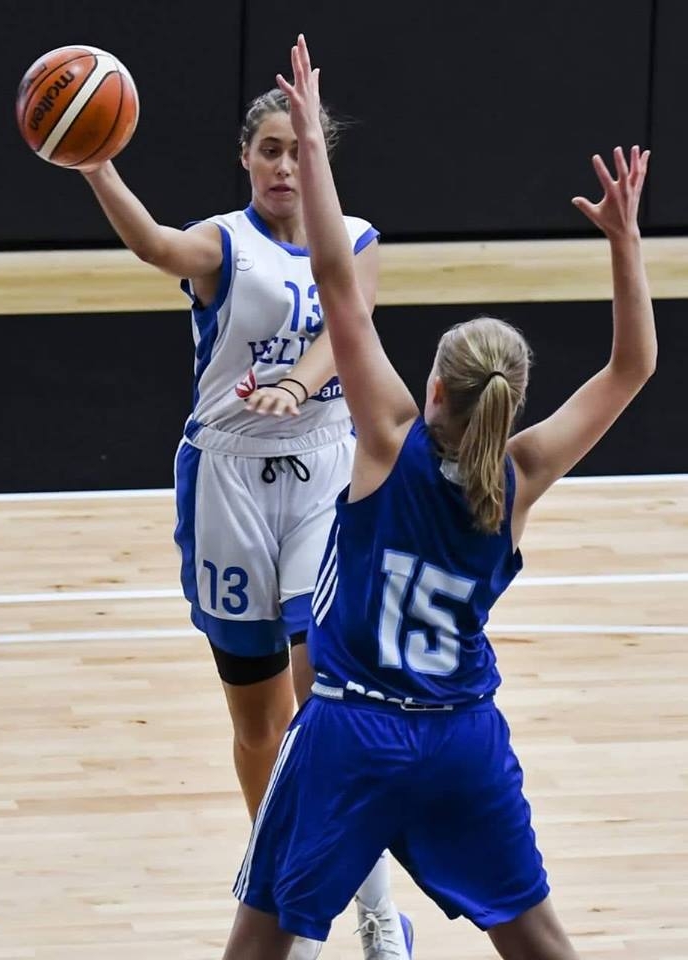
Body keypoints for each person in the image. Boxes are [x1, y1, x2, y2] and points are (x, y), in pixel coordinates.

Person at [222, 35, 656, 960]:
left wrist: (313, 142)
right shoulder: (522, 473)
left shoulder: (385, 438)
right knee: (538, 943)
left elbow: (335, 279)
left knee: (257, 947)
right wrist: (626, 244)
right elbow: (631, 367)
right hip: (460, 738)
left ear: (433, 391)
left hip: (349, 731)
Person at [74, 76, 407, 959]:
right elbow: (153, 245)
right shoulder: (224, 244)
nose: (284, 166)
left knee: (325, 700)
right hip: (226, 481)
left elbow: (346, 328)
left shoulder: (358, 240)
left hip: (322, 477)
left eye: (299, 150)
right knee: (257, 727)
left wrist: (296, 384)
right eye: (270, 150)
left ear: (320, 159)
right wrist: (96, 165)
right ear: (246, 159)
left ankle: (376, 910)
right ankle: (291, 887)